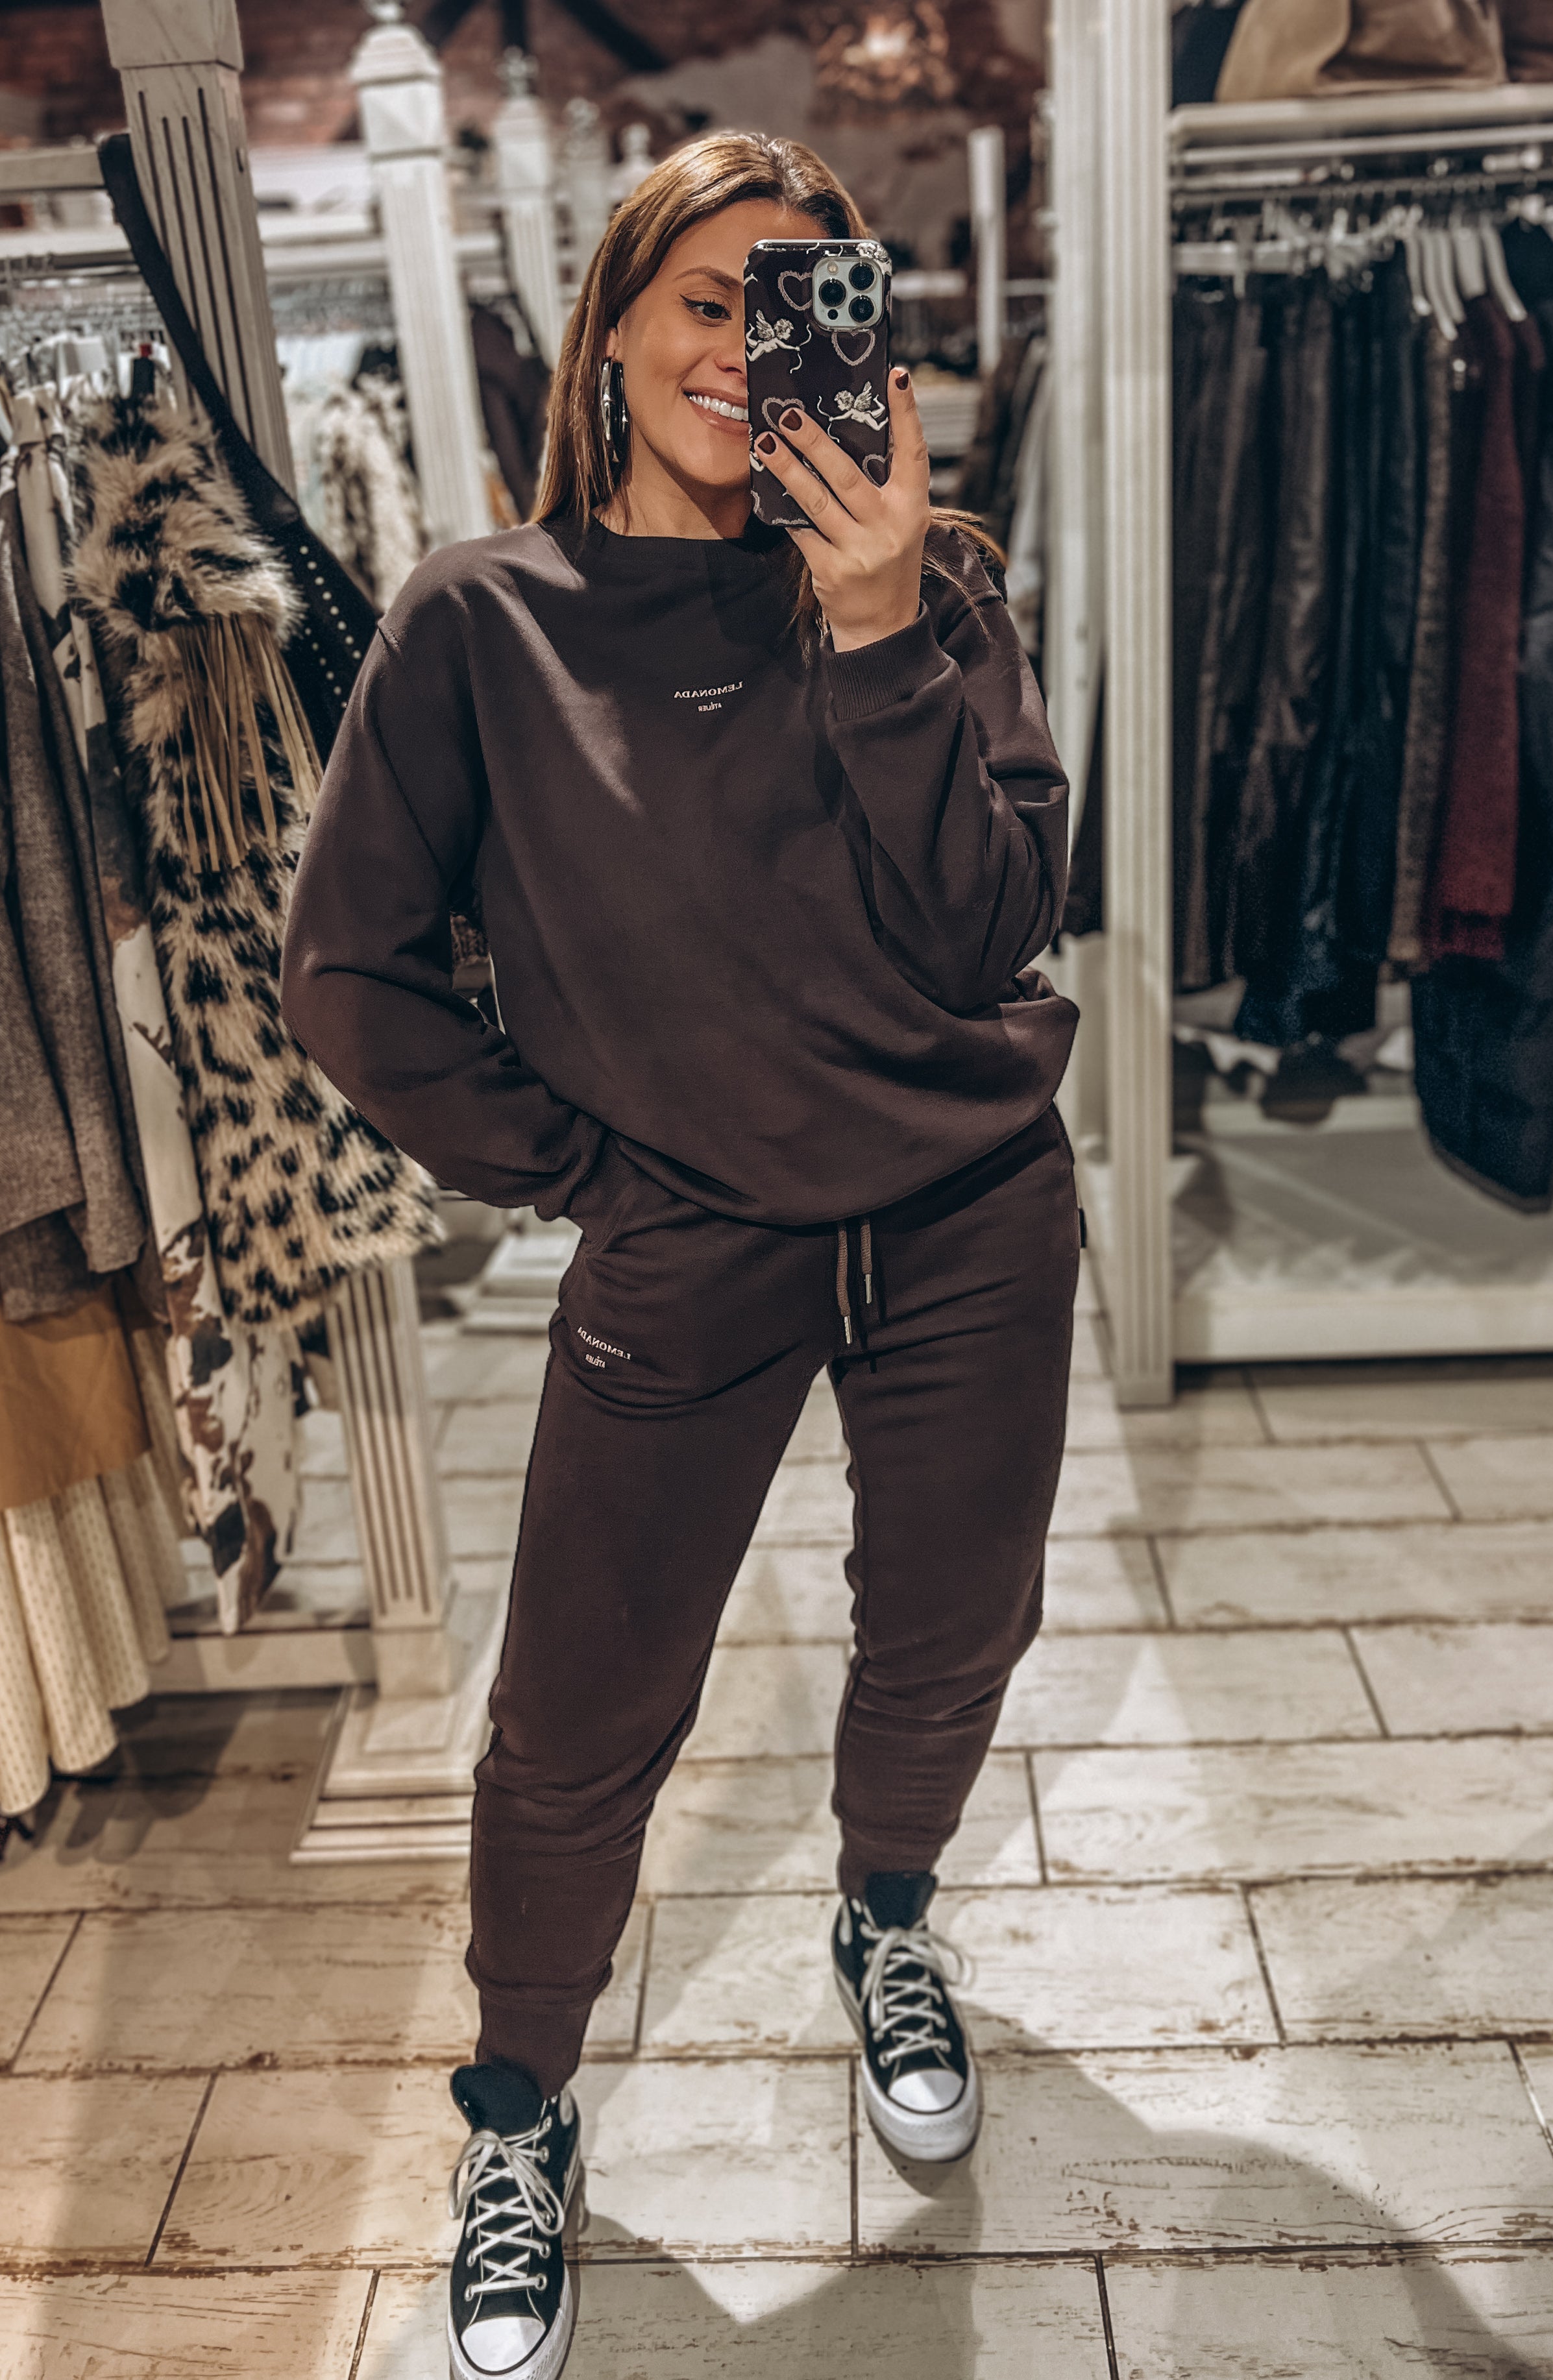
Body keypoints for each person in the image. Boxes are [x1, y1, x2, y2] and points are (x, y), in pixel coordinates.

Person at [282, 128, 1080, 2380]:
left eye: (802, 306)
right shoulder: (484, 622)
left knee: (955, 1628)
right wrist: (571, 1165)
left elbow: (993, 929)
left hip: (969, 1216)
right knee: (580, 1711)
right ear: (616, 326)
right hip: (683, 1244)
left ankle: (887, 1917)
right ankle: (518, 2110)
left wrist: (877, 622)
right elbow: (347, 971)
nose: (749, 351)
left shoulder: (930, 586)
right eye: (711, 301)